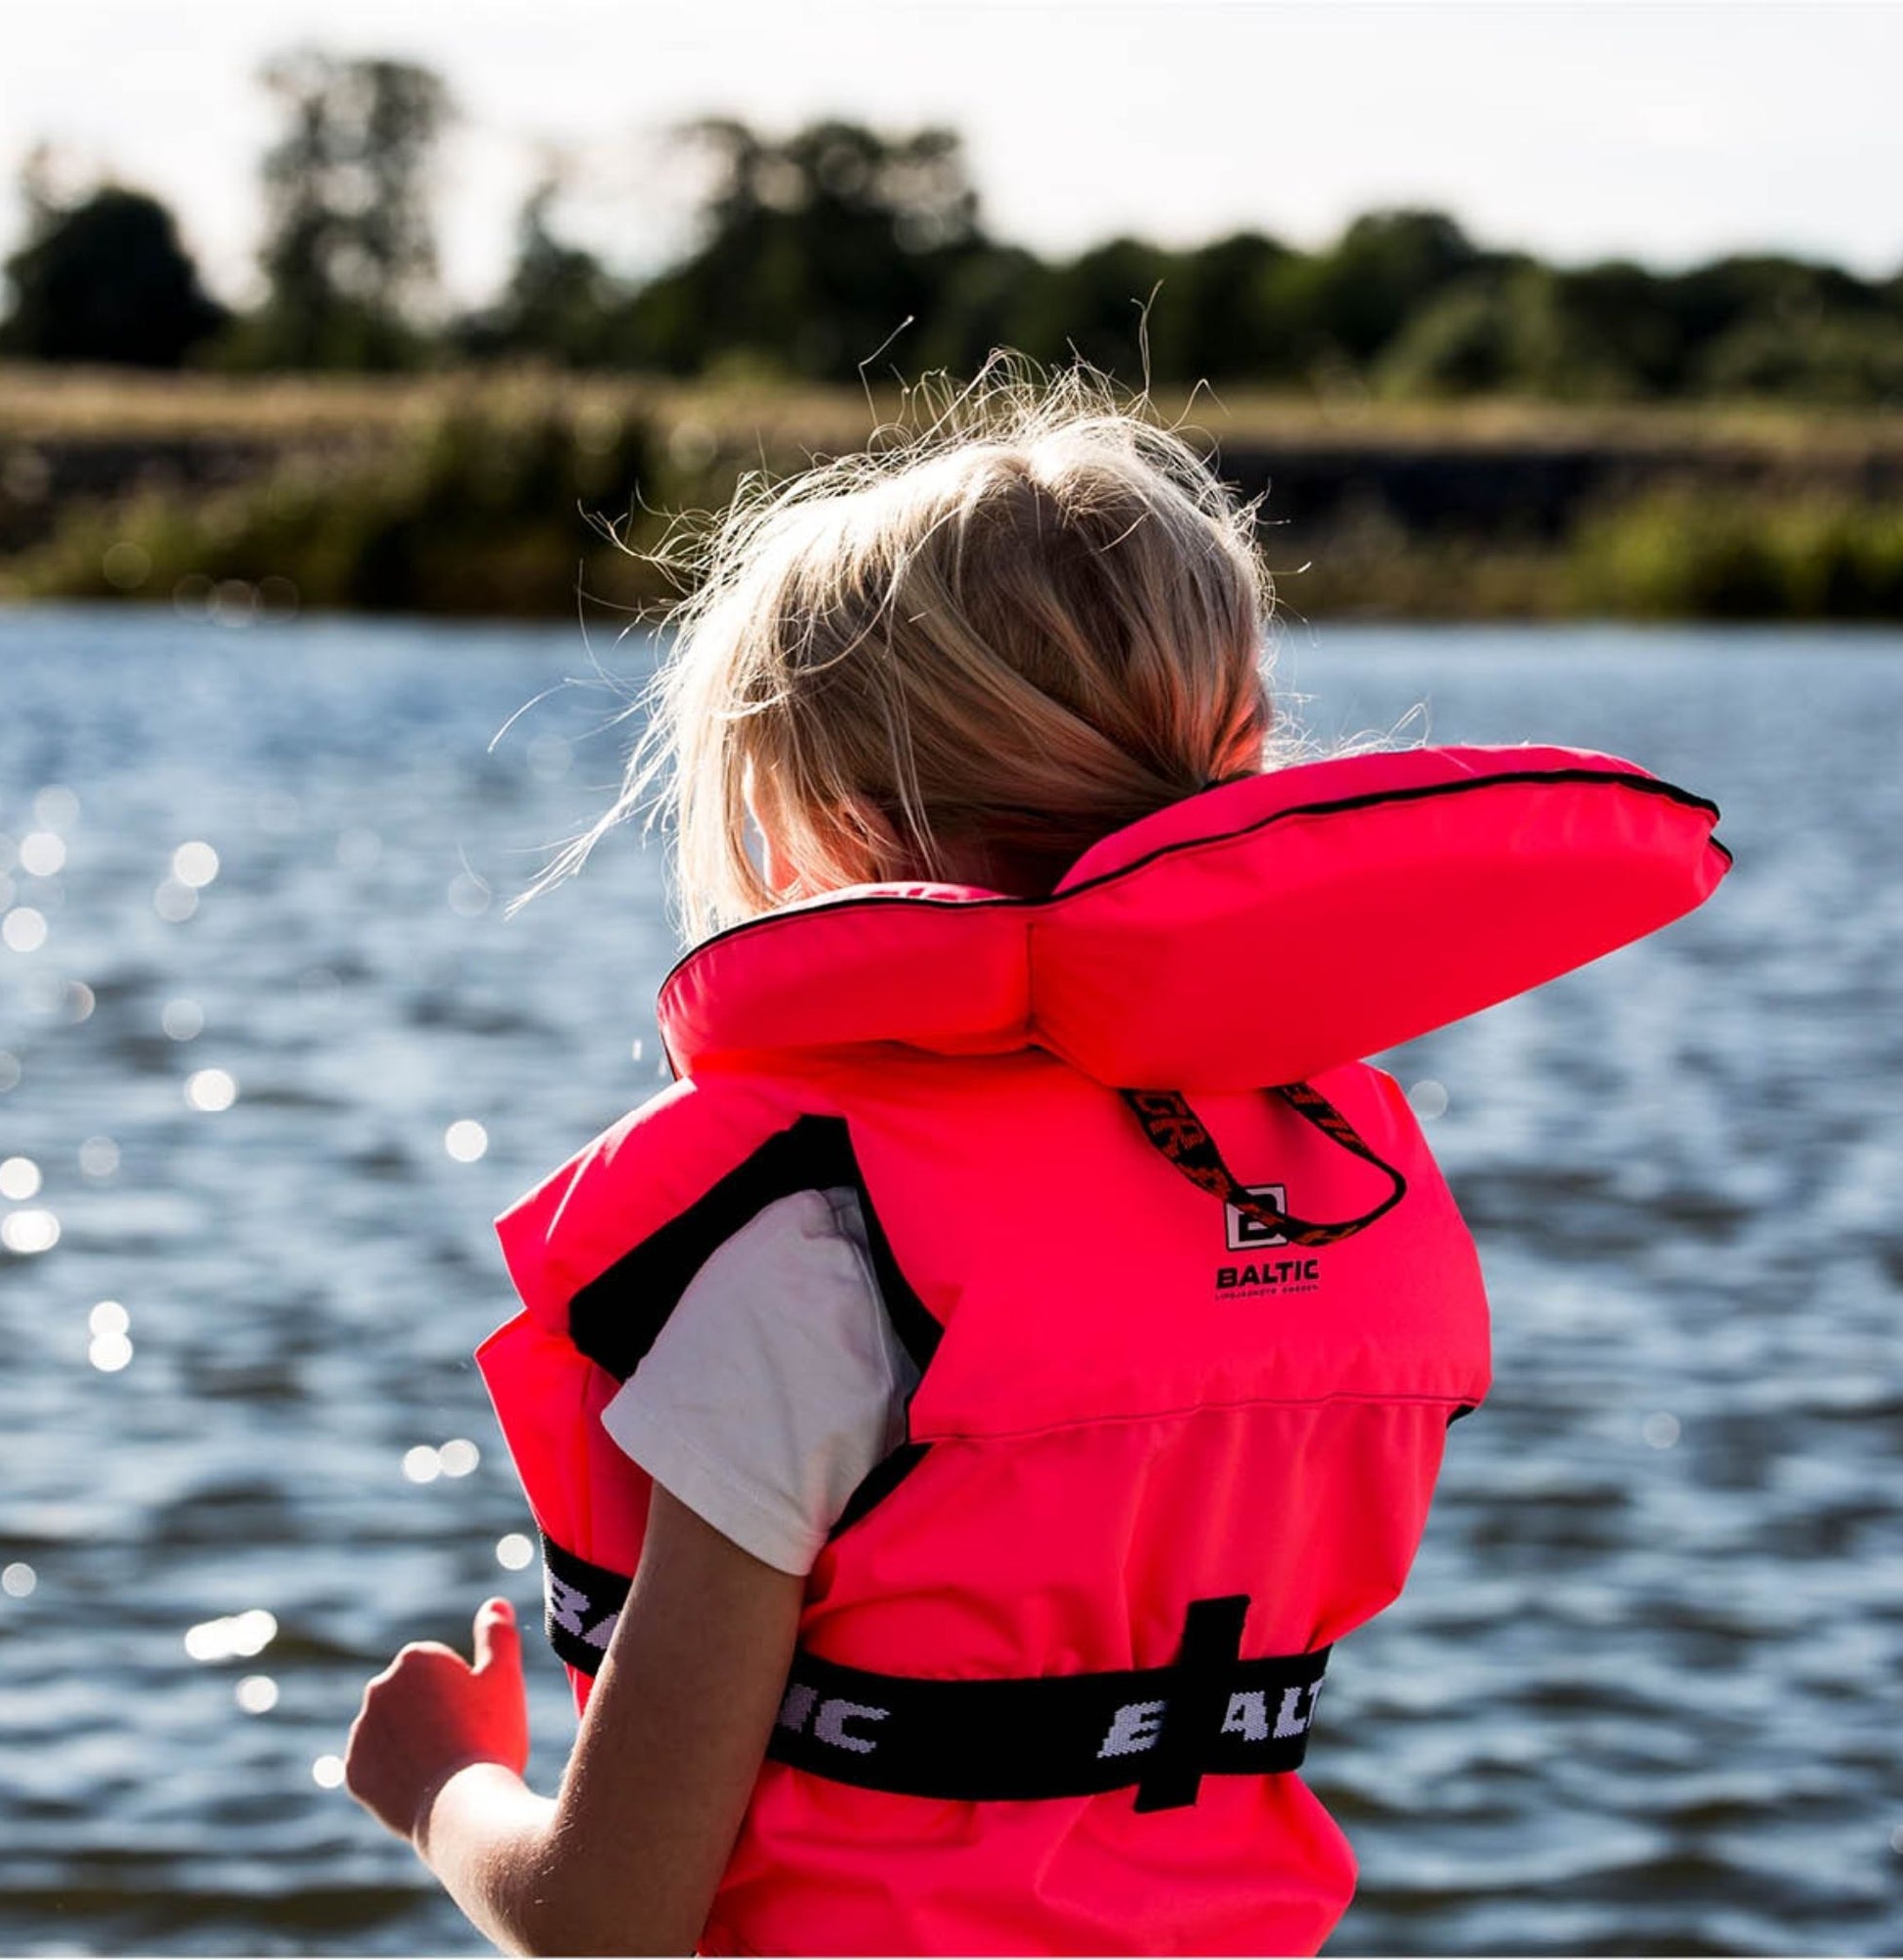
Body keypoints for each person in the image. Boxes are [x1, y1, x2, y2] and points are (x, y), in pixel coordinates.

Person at [341, 354, 1728, 1955]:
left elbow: (609, 1922)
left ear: (827, 823)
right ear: (1240, 744)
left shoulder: (825, 1260)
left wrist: (442, 1783)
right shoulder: (1333, 1187)